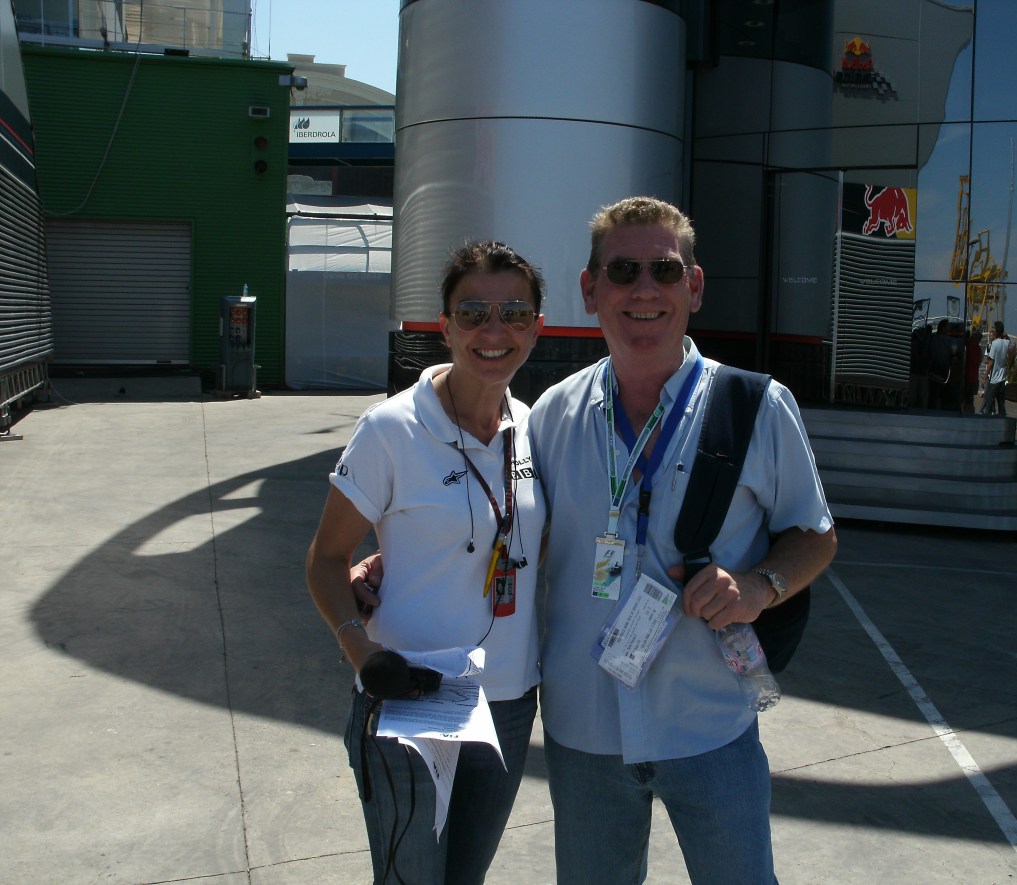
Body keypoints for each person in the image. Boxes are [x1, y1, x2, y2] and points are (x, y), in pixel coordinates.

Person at [529, 196, 837, 883]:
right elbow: (513, 535)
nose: (644, 289)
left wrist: (761, 586)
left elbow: (814, 536)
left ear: (693, 287)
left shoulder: (756, 406)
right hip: (585, 732)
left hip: (710, 725)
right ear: (590, 289)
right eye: (623, 270)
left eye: (665, 271)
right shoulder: (554, 414)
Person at [306, 241, 547, 884]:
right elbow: (327, 559)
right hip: (410, 698)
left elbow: (523, 544)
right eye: (472, 311)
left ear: (536, 328)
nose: (493, 331)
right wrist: (365, 657)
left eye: (514, 313)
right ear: (444, 326)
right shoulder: (390, 429)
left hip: (507, 702)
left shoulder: (535, 429)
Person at [978, 321, 1011, 416]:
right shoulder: (1006, 342)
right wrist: (1005, 335)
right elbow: (1008, 339)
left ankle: (987, 422)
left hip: (994, 379)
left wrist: (984, 377)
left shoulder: (995, 343)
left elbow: (991, 361)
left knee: (989, 402)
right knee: (1001, 404)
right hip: (1002, 378)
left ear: (996, 331)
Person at [963, 327, 983, 414]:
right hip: (974, 377)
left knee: (964, 398)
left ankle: (965, 412)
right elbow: (979, 362)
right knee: (970, 399)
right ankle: (970, 413)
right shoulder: (979, 349)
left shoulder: (967, 347)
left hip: (966, 376)